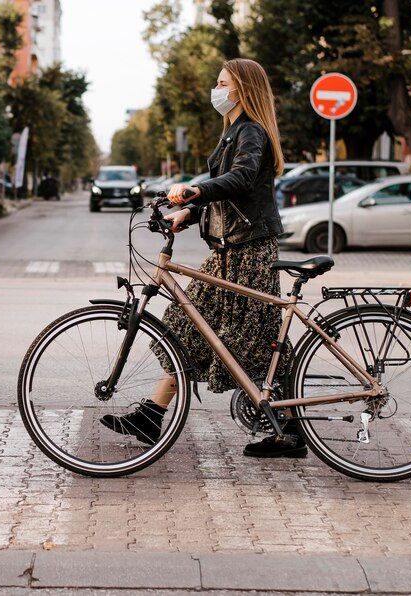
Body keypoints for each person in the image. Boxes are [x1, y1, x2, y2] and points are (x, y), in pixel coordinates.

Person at [99, 58, 305, 458]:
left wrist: (194, 191)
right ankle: (152, 415)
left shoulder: (252, 132)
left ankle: (290, 430)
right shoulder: (233, 133)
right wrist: (189, 212)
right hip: (229, 249)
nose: (217, 89)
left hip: (249, 250)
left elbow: (241, 179)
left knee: (257, 338)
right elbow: (229, 194)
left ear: (242, 89)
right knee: (185, 328)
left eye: (223, 82)